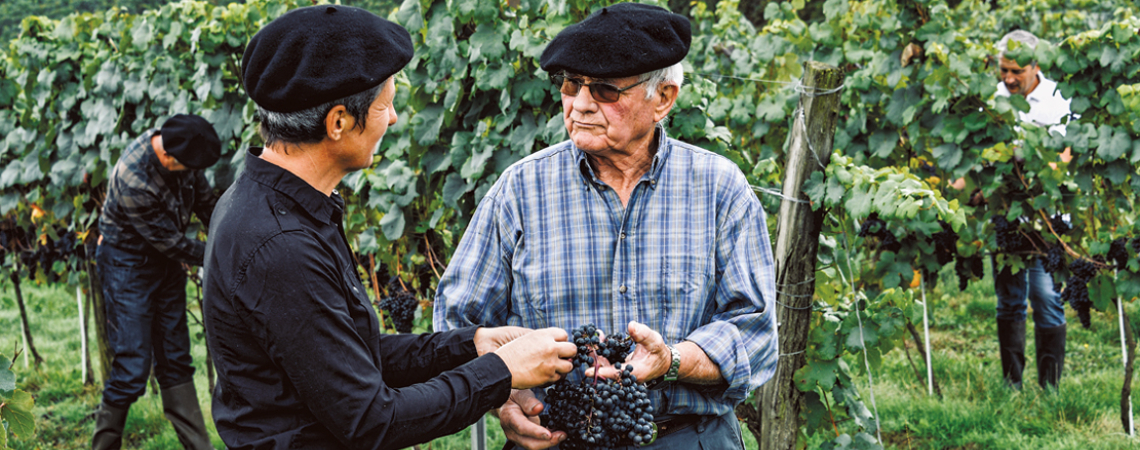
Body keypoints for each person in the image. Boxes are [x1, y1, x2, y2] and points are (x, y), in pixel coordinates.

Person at [201, 6, 577, 449]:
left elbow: (348, 356)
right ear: (338, 122)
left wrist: (471, 344)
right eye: (386, 104)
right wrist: (503, 371)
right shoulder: (281, 245)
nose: (395, 118)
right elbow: (372, 421)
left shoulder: (278, 204)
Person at [433, 3, 778, 449]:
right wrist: (508, 398)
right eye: (571, 85)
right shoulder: (520, 190)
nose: (580, 105)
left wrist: (672, 360)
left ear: (664, 99)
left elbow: (754, 333)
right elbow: (457, 323)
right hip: (557, 437)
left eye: (605, 91)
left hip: (686, 437)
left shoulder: (719, 188)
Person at [92, 113, 220, 450]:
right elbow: (173, 244)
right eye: (189, 168)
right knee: (133, 367)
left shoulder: (182, 150)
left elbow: (208, 204)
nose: (195, 174)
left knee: (176, 359)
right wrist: (220, 256)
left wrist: (233, 236)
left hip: (163, 262)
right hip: (126, 264)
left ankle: (199, 448)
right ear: (167, 157)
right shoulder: (134, 178)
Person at [991, 29, 1072, 390]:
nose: (1008, 78)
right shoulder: (993, 99)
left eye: (1016, 71)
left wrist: (1027, 166)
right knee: (1009, 299)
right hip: (1007, 217)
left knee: (1045, 297)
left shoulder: (1056, 99)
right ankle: (1012, 384)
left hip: (1046, 217)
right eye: (1003, 70)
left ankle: (1049, 389)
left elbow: (1064, 158)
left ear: (1034, 66)